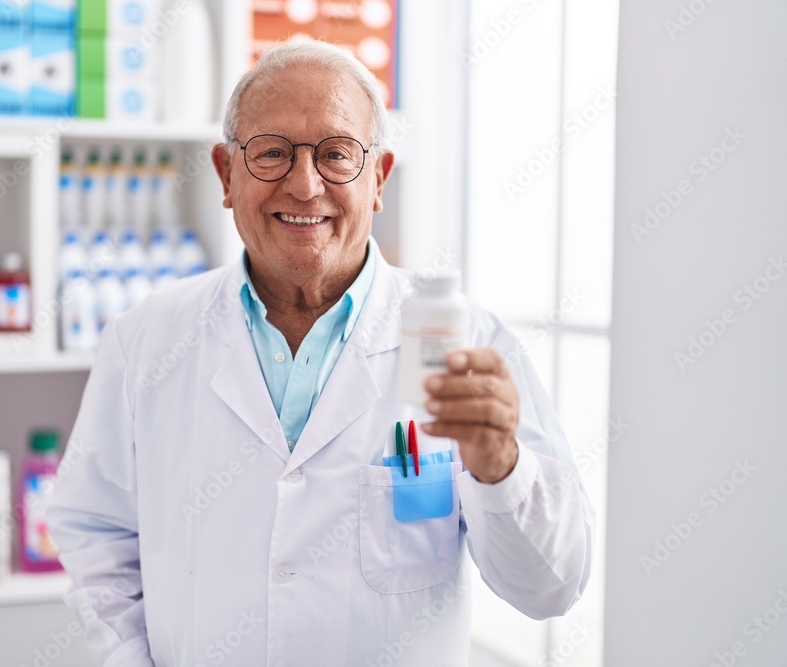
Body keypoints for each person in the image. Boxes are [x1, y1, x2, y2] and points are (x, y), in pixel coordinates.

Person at [48, 41, 594, 667]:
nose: (305, 186)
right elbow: (97, 535)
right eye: (272, 153)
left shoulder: (468, 342)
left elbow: (552, 587)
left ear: (379, 178)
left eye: (337, 154)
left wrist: (503, 468)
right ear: (227, 175)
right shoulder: (147, 339)